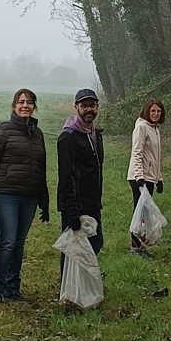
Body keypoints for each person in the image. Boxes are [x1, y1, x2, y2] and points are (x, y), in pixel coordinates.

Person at [0, 89, 50, 302]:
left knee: (19, 243)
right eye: (21, 102)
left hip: (29, 196)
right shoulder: (3, 129)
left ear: (34, 106)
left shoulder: (38, 134)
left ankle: (13, 288)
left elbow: (41, 169)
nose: (25, 105)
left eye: (29, 102)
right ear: (14, 106)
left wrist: (44, 201)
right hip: (4, 195)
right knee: (7, 242)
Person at [57, 88, 105, 270]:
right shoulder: (68, 137)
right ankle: (68, 290)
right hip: (76, 203)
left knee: (95, 241)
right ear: (76, 107)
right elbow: (65, 175)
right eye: (84, 106)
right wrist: (72, 210)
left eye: (92, 105)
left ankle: (84, 285)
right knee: (72, 247)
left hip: (92, 201)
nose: (88, 110)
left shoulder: (95, 134)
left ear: (97, 107)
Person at [126, 99, 166, 257]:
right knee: (139, 212)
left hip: (150, 176)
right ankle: (135, 247)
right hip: (140, 177)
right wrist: (139, 177)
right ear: (147, 111)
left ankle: (141, 244)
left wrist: (159, 178)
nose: (156, 114)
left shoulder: (155, 129)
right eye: (153, 111)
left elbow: (155, 157)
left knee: (144, 213)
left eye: (158, 111)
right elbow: (137, 153)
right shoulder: (141, 127)